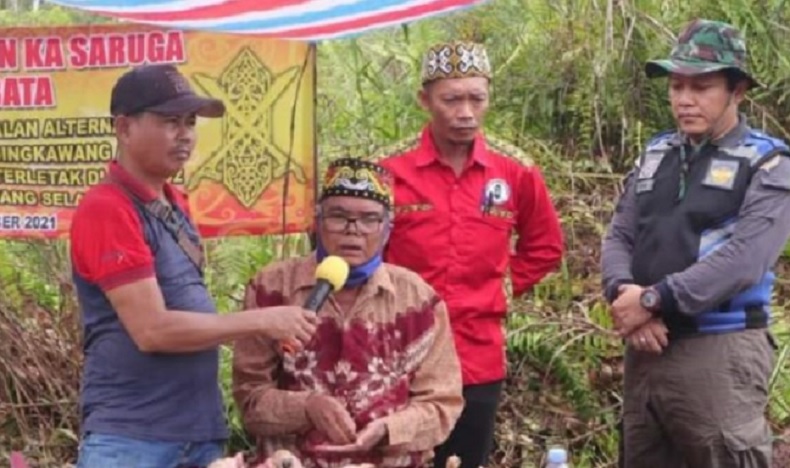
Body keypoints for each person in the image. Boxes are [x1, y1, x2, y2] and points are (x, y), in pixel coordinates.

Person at [70, 64, 317, 468]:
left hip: (196, 430)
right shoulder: (107, 208)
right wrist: (261, 321)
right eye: (170, 121)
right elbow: (152, 331)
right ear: (124, 128)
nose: (185, 134)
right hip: (133, 437)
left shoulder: (175, 201)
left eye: (189, 122)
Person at [601, 19, 790, 468]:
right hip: (646, 347)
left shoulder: (767, 163)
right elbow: (621, 233)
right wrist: (622, 293)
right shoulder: (657, 153)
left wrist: (653, 299)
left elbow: (745, 259)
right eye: (677, 86)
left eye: (701, 87)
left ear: (737, 90)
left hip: (718, 347)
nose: (684, 100)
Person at [374, 41, 564, 467]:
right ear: (425, 100)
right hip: (399, 352)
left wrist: (501, 289)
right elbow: (357, 254)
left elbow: (545, 245)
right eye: (451, 99)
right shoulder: (387, 171)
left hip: (476, 355)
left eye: (476, 98)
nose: (465, 112)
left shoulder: (515, 170)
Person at [232, 158, 464, 468]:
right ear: (318, 221)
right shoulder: (273, 288)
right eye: (339, 217)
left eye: (369, 219)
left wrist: (388, 429)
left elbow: (442, 404)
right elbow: (250, 400)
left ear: (386, 229)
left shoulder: (418, 300)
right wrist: (307, 407)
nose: (353, 231)